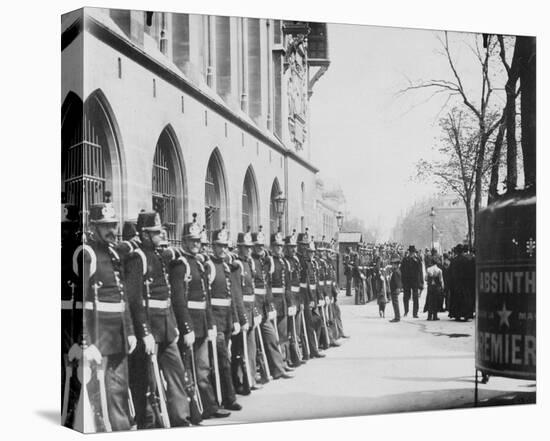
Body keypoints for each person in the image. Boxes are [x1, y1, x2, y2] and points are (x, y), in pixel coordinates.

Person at [125, 210, 191, 428]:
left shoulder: (159, 255)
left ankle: (180, 419)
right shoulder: (138, 258)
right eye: (155, 232)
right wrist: (144, 332)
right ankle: (150, 424)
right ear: (144, 234)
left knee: (176, 373)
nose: (160, 235)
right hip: (150, 328)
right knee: (146, 381)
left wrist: (174, 324)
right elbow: (135, 299)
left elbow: (167, 293)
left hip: (166, 325)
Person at [78, 195, 137, 432]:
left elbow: (122, 298)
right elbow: (79, 302)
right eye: (105, 226)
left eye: (113, 225)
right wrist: (86, 341)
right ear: (93, 227)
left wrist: (130, 331)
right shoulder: (87, 254)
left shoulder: (114, 253)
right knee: (100, 396)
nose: (112, 230)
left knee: (119, 390)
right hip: (98, 336)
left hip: (119, 333)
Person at [171, 214, 231, 419]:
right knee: (188, 371)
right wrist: (186, 328)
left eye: (198, 241)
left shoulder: (197, 263)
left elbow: (205, 298)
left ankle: (209, 406)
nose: (196, 244)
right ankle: (193, 411)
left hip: (203, 324)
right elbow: (179, 300)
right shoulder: (180, 264)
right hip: (189, 325)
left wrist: (211, 324)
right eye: (192, 240)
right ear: (184, 241)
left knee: (203, 369)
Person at [203, 223, 243, 410]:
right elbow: (207, 298)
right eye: (219, 245)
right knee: (222, 360)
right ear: (213, 246)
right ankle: (227, 398)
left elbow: (231, 296)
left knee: (223, 360)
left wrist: (235, 319)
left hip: (226, 319)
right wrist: (211, 324)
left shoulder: (226, 266)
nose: (223, 249)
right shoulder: (208, 266)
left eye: (225, 246)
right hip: (215, 321)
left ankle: (224, 395)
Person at [229, 227, 261, 395]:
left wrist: (255, 313)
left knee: (251, 347)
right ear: (239, 248)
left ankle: (251, 378)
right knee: (239, 350)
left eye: (250, 247)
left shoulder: (249, 263)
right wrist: (241, 318)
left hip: (250, 309)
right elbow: (236, 294)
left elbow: (252, 291)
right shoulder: (237, 265)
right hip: (241, 311)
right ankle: (240, 381)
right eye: (245, 247)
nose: (248, 250)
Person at [400, 245, 424, 318]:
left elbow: (420, 272)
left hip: (415, 281)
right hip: (407, 281)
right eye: (411, 252)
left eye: (412, 252)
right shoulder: (405, 259)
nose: (411, 253)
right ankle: (406, 311)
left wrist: (421, 282)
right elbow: (401, 270)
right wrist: (402, 282)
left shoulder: (418, 260)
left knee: (415, 297)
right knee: (406, 297)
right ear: (409, 252)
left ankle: (415, 313)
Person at [424, 256, 444, 320]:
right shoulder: (439, 270)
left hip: (430, 287)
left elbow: (426, 279)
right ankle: (435, 316)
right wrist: (442, 287)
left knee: (430, 301)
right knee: (435, 301)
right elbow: (441, 280)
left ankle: (429, 316)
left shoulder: (428, 269)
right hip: (436, 287)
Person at [389, 257, 403, 322]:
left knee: (395, 304)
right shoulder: (397, 271)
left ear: (397, 265)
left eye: (394, 264)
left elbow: (398, 281)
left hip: (394, 289)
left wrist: (398, 288)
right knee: (395, 303)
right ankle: (397, 317)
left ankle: (397, 317)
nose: (392, 265)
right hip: (394, 289)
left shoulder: (396, 272)